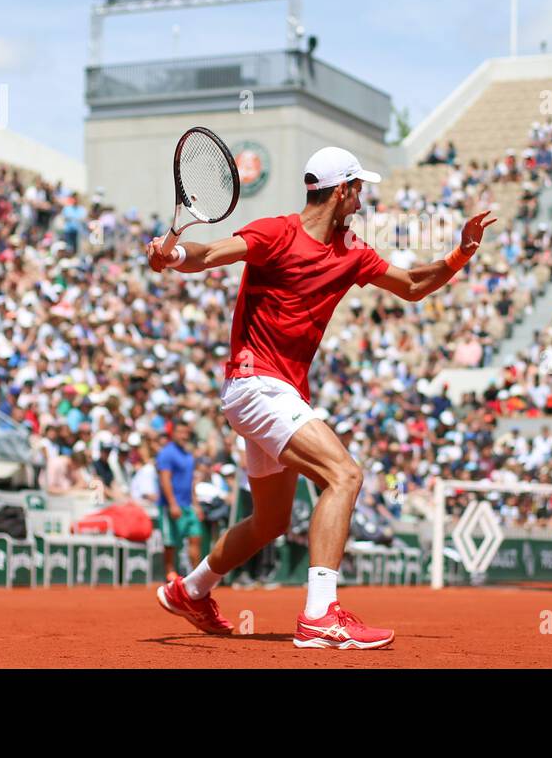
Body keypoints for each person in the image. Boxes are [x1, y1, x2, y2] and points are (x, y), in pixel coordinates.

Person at [146, 145, 495, 650]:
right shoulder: (275, 232)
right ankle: (319, 615)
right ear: (344, 190)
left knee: (272, 520)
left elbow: (415, 284)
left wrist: (462, 251)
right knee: (345, 475)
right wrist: (173, 254)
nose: (363, 198)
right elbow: (209, 254)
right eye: (360, 189)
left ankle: (191, 590)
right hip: (254, 384)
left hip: (277, 389)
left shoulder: (351, 250)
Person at [156, 422, 202, 582]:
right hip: (171, 506)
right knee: (171, 543)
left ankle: (196, 578)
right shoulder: (166, 453)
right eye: (180, 432)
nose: (184, 436)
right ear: (173, 434)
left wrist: (195, 504)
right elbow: (165, 480)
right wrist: (173, 504)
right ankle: (170, 575)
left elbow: (190, 482)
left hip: (188, 505)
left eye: (186, 433)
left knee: (196, 538)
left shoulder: (188, 455)